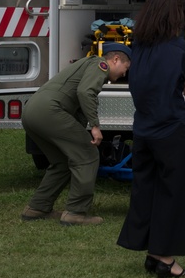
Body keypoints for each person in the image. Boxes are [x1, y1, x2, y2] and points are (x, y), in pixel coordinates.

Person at [117, 0, 185, 278]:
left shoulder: (138, 46)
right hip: (171, 130)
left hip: (143, 129)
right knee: (171, 194)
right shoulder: (177, 46)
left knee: (146, 191)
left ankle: (152, 253)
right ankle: (166, 259)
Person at [20, 43, 131, 226]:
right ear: (116, 60)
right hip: (49, 112)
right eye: (125, 68)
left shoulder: (87, 64)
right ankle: (76, 213)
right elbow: (85, 92)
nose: (124, 74)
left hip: (32, 112)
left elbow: (77, 103)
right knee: (87, 154)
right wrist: (95, 126)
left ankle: (37, 208)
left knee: (62, 160)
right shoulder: (100, 66)